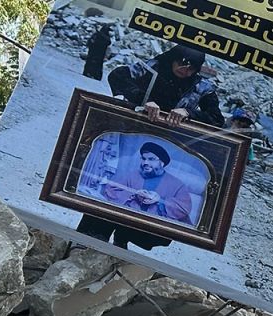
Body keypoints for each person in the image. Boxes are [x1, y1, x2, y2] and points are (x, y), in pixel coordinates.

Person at [76, 45, 221, 250]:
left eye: (191, 67)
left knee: (146, 210)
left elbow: (216, 119)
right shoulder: (151, 68)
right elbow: (117, 76)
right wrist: (143, 100)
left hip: (169, 144)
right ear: (172, 59)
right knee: (113, 194)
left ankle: (121, 246)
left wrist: (190, 114)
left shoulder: (201, 87)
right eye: (181, 63)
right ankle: (86, 244)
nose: (185, 69)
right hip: (132, 139)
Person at [102, 142, 193, 224]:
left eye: (151, 159)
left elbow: (184, 209)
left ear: (162, 163)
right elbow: (110, 191)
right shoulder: (132, 175)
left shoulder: (177, 184)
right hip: (128, 220)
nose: (145, 162)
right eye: (143, 158)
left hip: (156, 226)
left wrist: (160, 200)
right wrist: (134, 194)